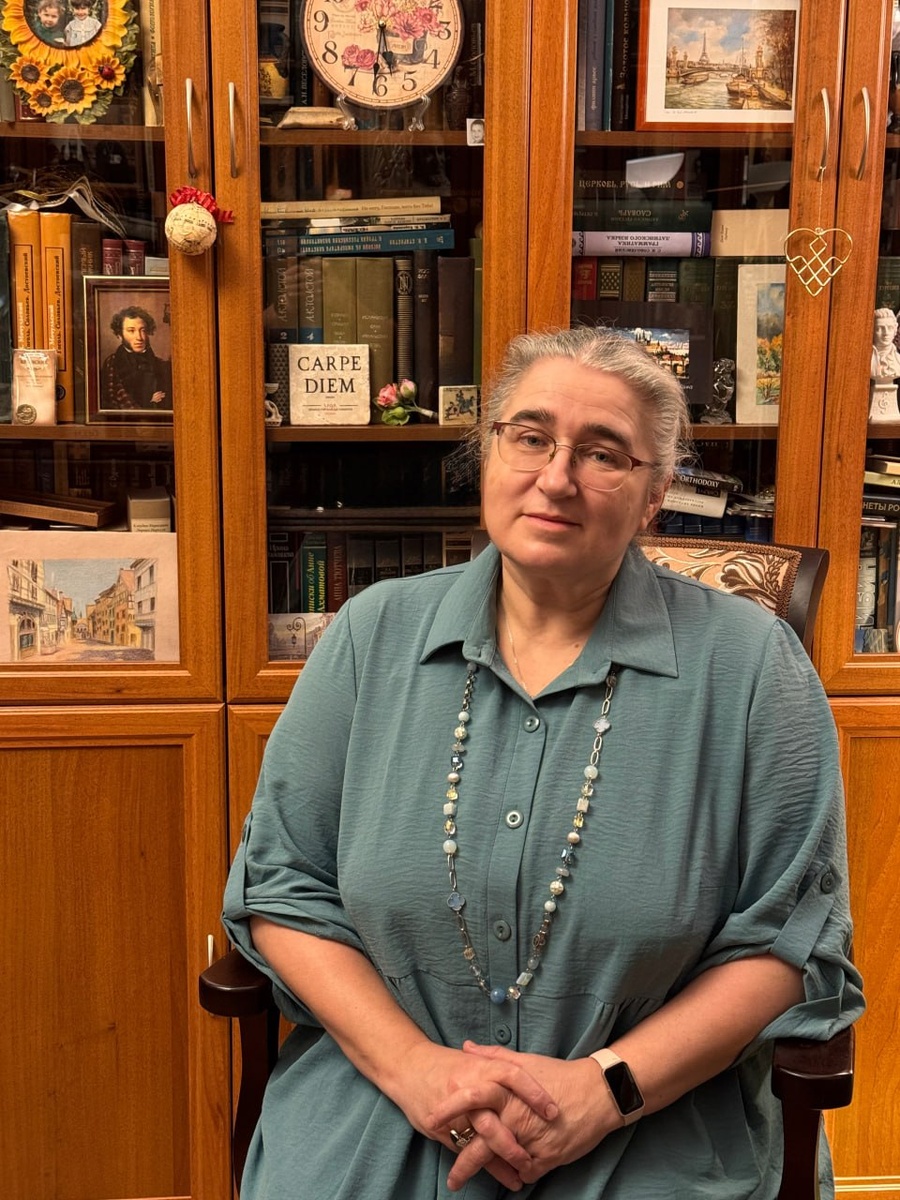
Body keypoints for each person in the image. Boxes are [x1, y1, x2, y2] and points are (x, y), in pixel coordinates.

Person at [223, 325, 862, 1199]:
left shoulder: (754, 667)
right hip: (385, 1098)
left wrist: (606, 1091)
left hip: (655, 1116)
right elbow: (284, 885)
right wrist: (415, 1069)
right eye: (530, 437)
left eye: (603, 454)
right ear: (488, 454)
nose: (556, 478)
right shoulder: (371, 636)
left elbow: (791, 938)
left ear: (654, 495)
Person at [101, 306, 172, 411]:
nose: (139, 337)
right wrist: (149, 403)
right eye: (131, 331)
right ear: (119, 335)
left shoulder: (160, 365)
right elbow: (116, 402)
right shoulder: (112, 363)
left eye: (143, 330)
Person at [870, 307, 900, 381]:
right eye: (880, 328)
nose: (886, 333)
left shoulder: (898, 359)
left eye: (890, 328)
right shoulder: (866, 359)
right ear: (872, 331)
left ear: (895, 330)